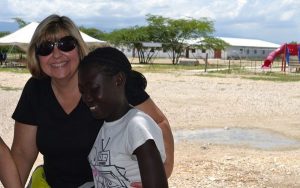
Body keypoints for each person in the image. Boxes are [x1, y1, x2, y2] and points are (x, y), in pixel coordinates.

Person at [11, 14, 173, 188]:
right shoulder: (36, 90)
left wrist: (160, 174)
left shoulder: (110, 83)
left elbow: (159, 123)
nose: (56, 54)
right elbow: (22, 153)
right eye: (46, 48)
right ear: (36, 55)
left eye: (66, 44)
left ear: (79, 48)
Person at [78, 47, 168, 188]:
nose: (86, 98)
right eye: (82, 91)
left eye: (94, 89)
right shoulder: (106, 127)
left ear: (118, 80)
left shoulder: (136, 125)